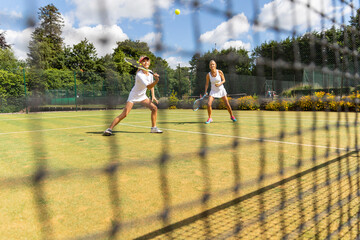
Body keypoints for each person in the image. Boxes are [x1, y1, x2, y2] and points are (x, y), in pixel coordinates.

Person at [103, 56, 162, 135]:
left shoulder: (150, 72)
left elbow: (152, 86)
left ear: (149, 63)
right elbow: (148, 87)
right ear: (140, 64)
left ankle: (154, 128)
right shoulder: (139, 75)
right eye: (143, 61)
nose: (146, 62)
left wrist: (153, 95)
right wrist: (157, 80)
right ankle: (109, 129)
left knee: (154, 108)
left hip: (142, 96)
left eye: (147, 61)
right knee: (125, 114)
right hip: (134, 96)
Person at [204, 60, 237, 124]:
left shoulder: (219, 72)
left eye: (213, 64)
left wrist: (219, 84)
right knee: (208, 104)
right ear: (209, 66)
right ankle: (210, 118)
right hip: (213, 91)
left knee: (227, 104)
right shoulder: (208, 75)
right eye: (210, 64)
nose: (212, 65)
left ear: (215, 65)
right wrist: (205, 91)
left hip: (221, 90)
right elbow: (207, 84)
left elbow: (224, 80)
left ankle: (232, 116)